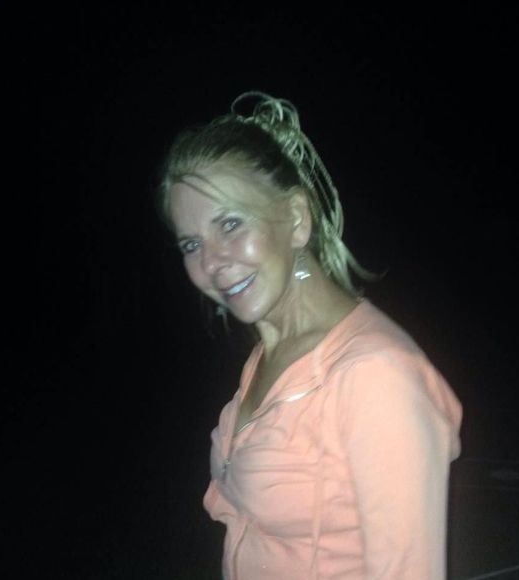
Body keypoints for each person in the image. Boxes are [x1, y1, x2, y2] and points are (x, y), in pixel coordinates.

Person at [158, 92, 463, 579]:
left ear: (297, 220)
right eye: (192, 244)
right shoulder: (269, 352)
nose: (212, 262)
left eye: (231, 224)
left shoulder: (374, 376)